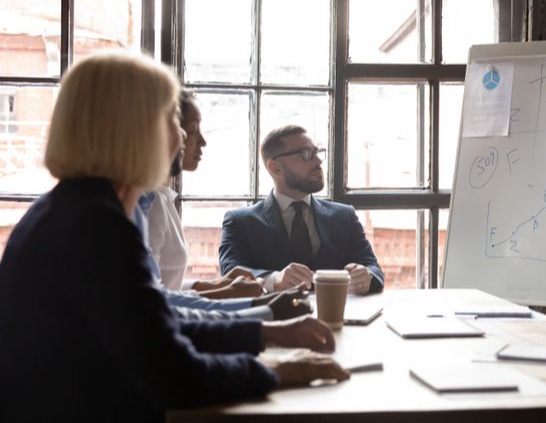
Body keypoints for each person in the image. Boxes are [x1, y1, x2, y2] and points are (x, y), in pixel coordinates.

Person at [0, 53, 348, 421]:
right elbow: (175, 374)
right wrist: (281, 371)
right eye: (171, 117)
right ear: (135, 128)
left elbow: (158, 325)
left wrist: (267, 334)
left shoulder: (76, 209)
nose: (183, 133)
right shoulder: (98, 228)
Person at [219, 125, 384, 295]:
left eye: (317, 152)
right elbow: (230, 272)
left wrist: (367, 277)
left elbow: (373, 268)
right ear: (275, 167)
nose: (318, 161)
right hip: (272, 319)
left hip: (339, 319)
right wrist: (274, 280)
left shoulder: (344, 216)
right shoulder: (240, 222)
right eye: (306, 154)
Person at [148, 90, 262, 297]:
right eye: (192, 130)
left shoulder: (162, 197)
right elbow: (151, 299)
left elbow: (162, 286)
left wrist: (216, 285)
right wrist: (226, 294)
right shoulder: (150, 201)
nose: (202, 141)